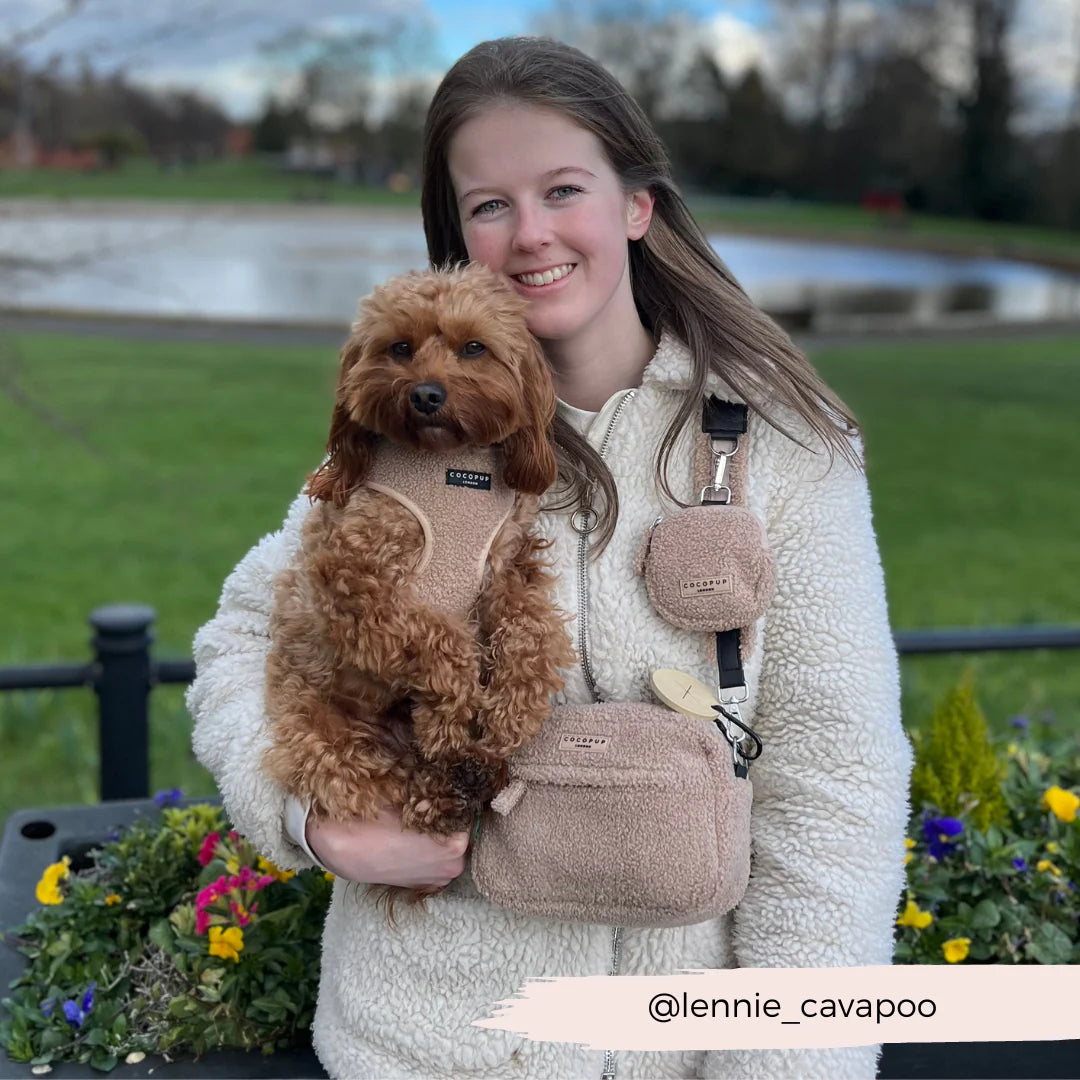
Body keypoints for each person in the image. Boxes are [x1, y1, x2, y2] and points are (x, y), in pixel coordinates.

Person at [187, 35, 912, 1080]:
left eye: (563, 189)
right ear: (456, 240)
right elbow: (247, 634)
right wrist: (315, 821)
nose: (530, 236)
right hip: (420, 1051)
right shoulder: (409, 443)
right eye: (489, 206)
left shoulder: (787, 451)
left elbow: (834, 780)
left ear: (636, 205)